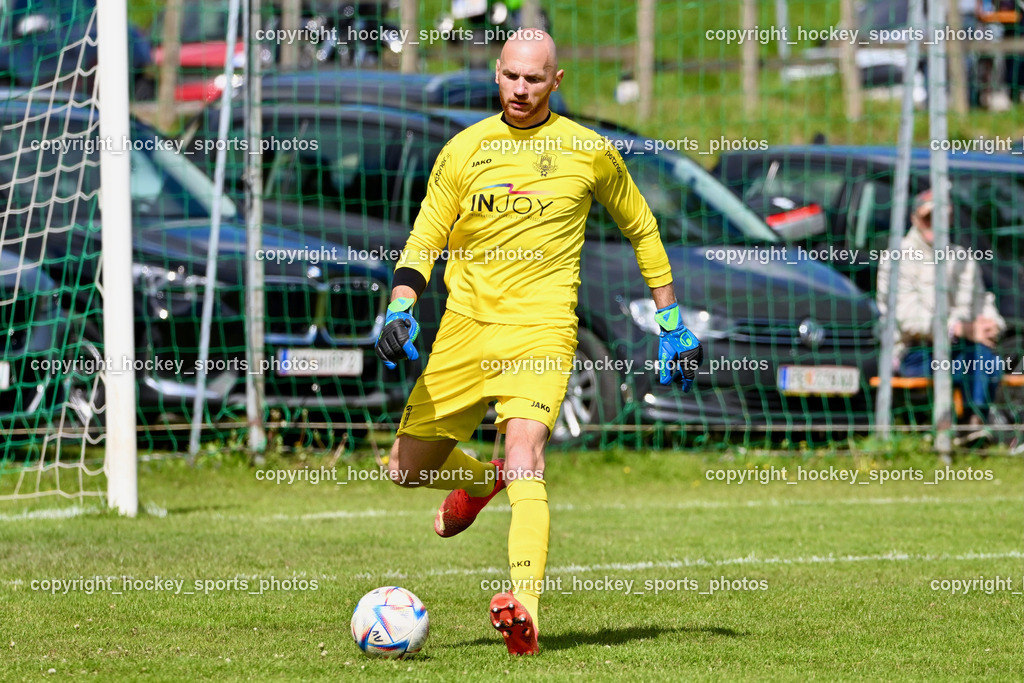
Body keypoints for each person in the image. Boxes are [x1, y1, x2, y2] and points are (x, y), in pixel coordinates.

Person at [373, 29, 703, 655]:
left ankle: (522, 610)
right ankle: (480, 481)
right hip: (466, 332)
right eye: (511, 76)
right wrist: (402, 306)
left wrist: (671, 320)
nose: (521, 89)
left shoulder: (589, 151)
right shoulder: (464, 150)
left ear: (557, 81)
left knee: (526, 455)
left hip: (543, 331)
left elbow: (643, 226)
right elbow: (425, 237)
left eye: (534, 78)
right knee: (404, 470)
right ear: (496, 75)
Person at [876, 189, 1005, 444]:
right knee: (971, 360)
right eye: (928, 217)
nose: (935, 223)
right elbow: (906, 318)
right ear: (914, 218)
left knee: (986, 357)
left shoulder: (962, 257)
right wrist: (957, 328)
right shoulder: (897, 257)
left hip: (960, 347)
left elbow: (982, 302)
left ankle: (973, 423)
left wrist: (992, 325)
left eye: (941, 217)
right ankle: (966, 425)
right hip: (915, 352)